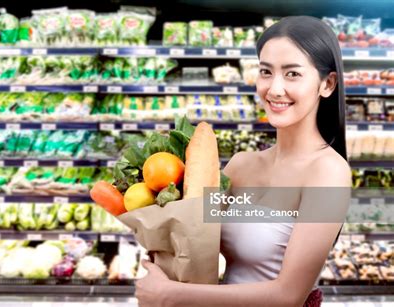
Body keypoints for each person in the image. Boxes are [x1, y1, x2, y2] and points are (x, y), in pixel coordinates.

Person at [135, 16, 352, 307]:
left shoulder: (328, 172)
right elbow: (192, 236)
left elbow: (289, 295)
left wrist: (170, 294)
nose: (274, 89)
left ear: (327, 84)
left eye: (292, 74)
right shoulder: (240, 165)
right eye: (266, 71)